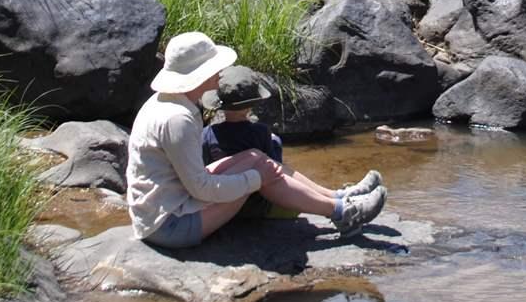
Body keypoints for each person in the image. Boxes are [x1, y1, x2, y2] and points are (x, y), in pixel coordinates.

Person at [125, 31, 387, 249]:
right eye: (214, 68)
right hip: (170, 225)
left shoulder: (167, 101)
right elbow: (200, 189)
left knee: (256, 158)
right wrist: (255, 180)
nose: (220, 73)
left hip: (166, 208)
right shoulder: (177, 119)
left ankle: (338, 198)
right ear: (199, 74)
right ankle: (344, 214)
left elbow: (193, 179)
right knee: (258, 169)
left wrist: (257, 172)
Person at [202, 66, 382, 220]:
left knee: (272, 163)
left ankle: (337, 196)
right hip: (261, 206)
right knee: (275, 163)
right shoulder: (260, 132)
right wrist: (274, 144)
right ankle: (339, 203)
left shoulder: (207, 135)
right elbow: (275, 174)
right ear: (251, 105)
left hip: (227, 204)